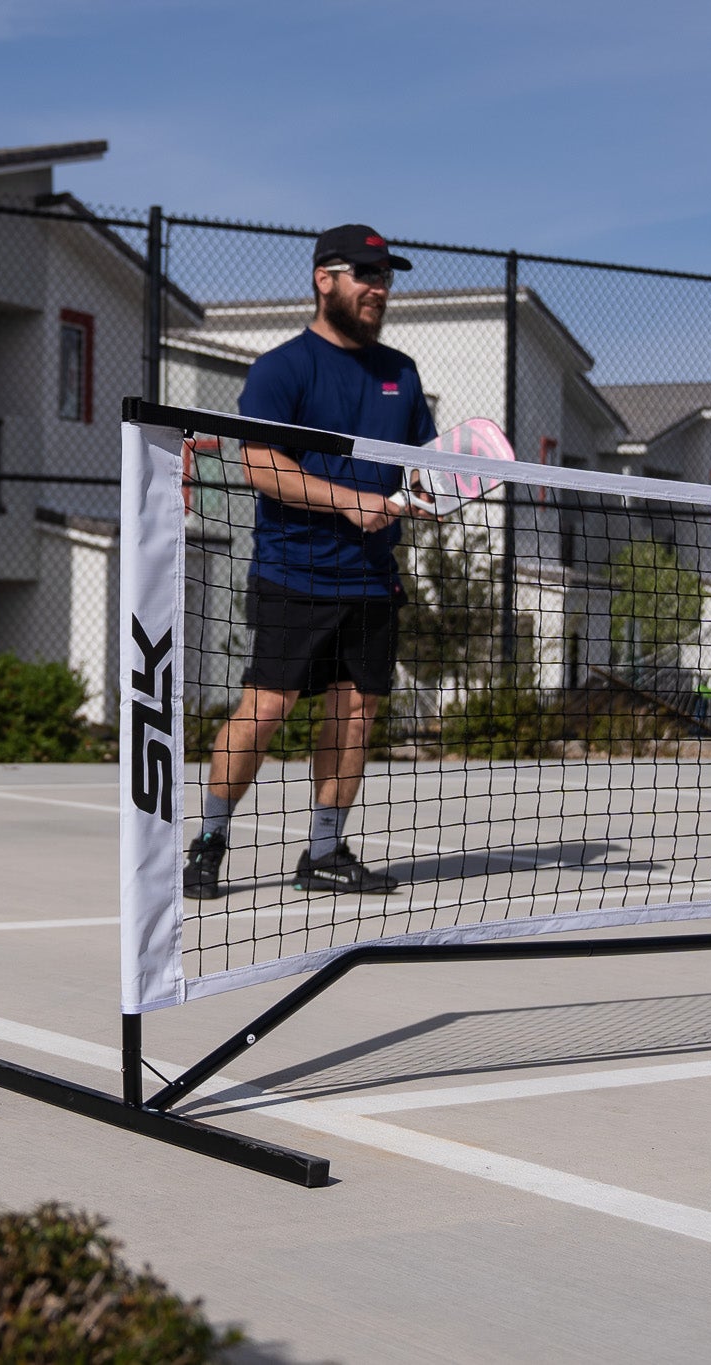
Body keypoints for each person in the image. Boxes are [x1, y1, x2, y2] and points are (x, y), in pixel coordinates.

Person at [183, 224, 437, 900]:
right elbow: (263, 466)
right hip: (293, 574)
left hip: (373, 581)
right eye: (365, 274)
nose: (378, 288)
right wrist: (351, 501)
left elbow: (427, 470)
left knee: (354, 715)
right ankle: (209, 839)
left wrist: (427, 499)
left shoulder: (401, 374)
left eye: (385, 277)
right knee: (266, 709)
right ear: (325, 279)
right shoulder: (281, 369)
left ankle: (324, 849)